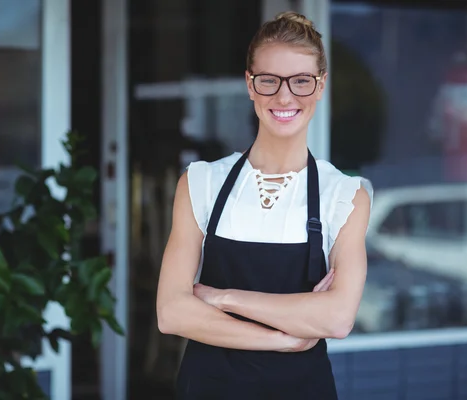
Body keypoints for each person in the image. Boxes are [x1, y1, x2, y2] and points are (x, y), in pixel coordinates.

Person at [156, 11, 372, 400]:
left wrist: (223, 298)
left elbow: (337, 318)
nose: (284, 96)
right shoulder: (201, 183)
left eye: (301, 81)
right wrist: (284, 339)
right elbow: (171, 312)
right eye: (269, 80)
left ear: (320, 86)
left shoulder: (345, 196)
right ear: (250, 85)